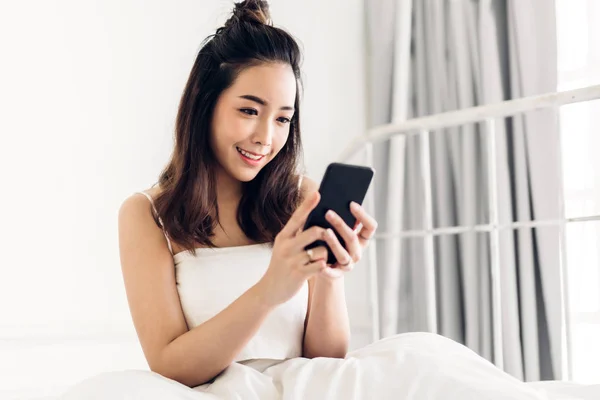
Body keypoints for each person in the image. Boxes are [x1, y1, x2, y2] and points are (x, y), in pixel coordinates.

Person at [59, 2, 569, 399]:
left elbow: (327, 355)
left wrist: (327, 277)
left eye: (282, 118)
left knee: (440, 371)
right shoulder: (147, 215)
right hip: (213, 391)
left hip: (309, 385)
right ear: (205, 106)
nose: (265, 136)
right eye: (249, 110)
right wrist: (271, 287)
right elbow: (170, 367)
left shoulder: (299, 197)